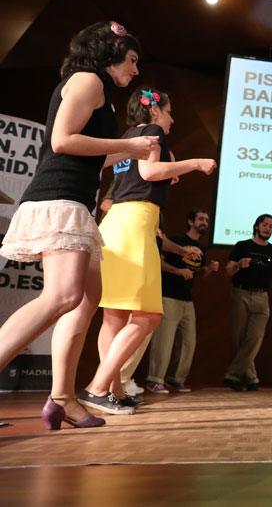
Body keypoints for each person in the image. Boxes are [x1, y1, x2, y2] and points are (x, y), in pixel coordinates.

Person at [0, 21, 157, 429]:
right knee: (63, 296)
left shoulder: (100, 97)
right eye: (132, 60)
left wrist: (129, 151)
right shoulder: (87, 80)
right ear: (110, 53)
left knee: (87, 299)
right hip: (59, 198)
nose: (136, 70)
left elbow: (88, 154)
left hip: (79, 203)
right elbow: (62, 141)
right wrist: (127, 145)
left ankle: (63, 397)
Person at [79, 87, 216, 415]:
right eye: (169, 111)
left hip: (113, 224)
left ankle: (113, 391)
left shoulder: (129, 135)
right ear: (155, 112)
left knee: (113, 315)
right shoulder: (153, 131)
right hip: (135, 223)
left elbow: (141, 174)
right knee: (148, 315)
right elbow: (150, 173)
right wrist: (195, 162)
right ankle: (98, 387)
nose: (172, 118)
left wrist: (168, 170)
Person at [144, 209, 220, 394]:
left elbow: (197, 273)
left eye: (207, 220)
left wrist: (209, 268)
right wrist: (178, 272)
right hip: (169, 295)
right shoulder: (176, 241)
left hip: (187, 299)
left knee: (188, 343)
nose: (204, 223)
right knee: (164, 341)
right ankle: (155, 380)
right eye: (201, 219)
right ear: (190, 221)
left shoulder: (201, 248)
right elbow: (158, 263)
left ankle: (176, 379)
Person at [223, 214, 272, 392]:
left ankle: (233, 375)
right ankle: (251, 378)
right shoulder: (242, 246)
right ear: (257, 226)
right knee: (240, 338)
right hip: (240, 293)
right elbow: (228, 271)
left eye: (271, 226)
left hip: (262, 297)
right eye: (264, 225)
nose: (267, 228)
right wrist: (237, 265)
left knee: (255, 338)